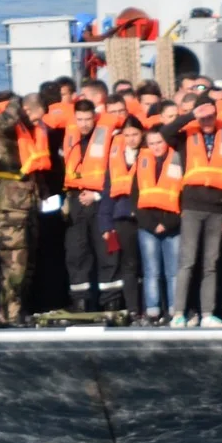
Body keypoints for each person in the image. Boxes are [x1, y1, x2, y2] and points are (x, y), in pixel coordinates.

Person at [160, 93, 222, 327]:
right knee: (187, 262)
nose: (207, 121)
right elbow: (166, 133)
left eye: (210, 116)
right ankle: (178, 314)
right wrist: (191, 115)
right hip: (192, 208)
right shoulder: (186, 137)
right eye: (203, 117)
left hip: (217, 209)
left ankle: (206, 314)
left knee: (210, 264)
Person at [0, 92, 45, 324]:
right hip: (10, 202)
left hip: (27, 201)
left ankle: (19, 309)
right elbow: (6, 120)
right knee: (13, 261)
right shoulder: (3, 126)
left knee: (27, 261)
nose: (39, 123)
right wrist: (16, 103)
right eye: (37, 117)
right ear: (27, 111)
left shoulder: (26, 130)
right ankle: (9, 312)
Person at [61, 99, 115, 311]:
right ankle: (80, 302)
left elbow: (113, 172)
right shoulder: (70, 136)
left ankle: (111, 302)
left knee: (106, 251)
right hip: (75, 200)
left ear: (95, 118)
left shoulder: (108, 136)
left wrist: (97, 195)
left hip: (100, 200)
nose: (84, 124)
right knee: (76, 252)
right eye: (80, 119)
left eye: (88, 119)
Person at [135, 127, 185, 321]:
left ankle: (174, 310)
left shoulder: (178, 159)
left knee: (173, 271)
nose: (156, 147)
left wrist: (168, 223)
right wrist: (150, 224)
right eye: (152, 143)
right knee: (151, 271)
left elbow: (183, 195)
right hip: (148, 226)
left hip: (172, 225)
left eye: (159, 142)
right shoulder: (142, 161)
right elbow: (135, 196)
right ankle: (153, 311)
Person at [101, 120, 145, 313]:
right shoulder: (115, 158)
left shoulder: (148, 155)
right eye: (127, 135)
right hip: (122, 218)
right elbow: (107, 192)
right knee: (129, 265)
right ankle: (133, 309)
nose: (131, 139)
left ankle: (152, 309)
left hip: (146, 217)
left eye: (135, 134)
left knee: (149, 266)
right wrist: (105, 223)